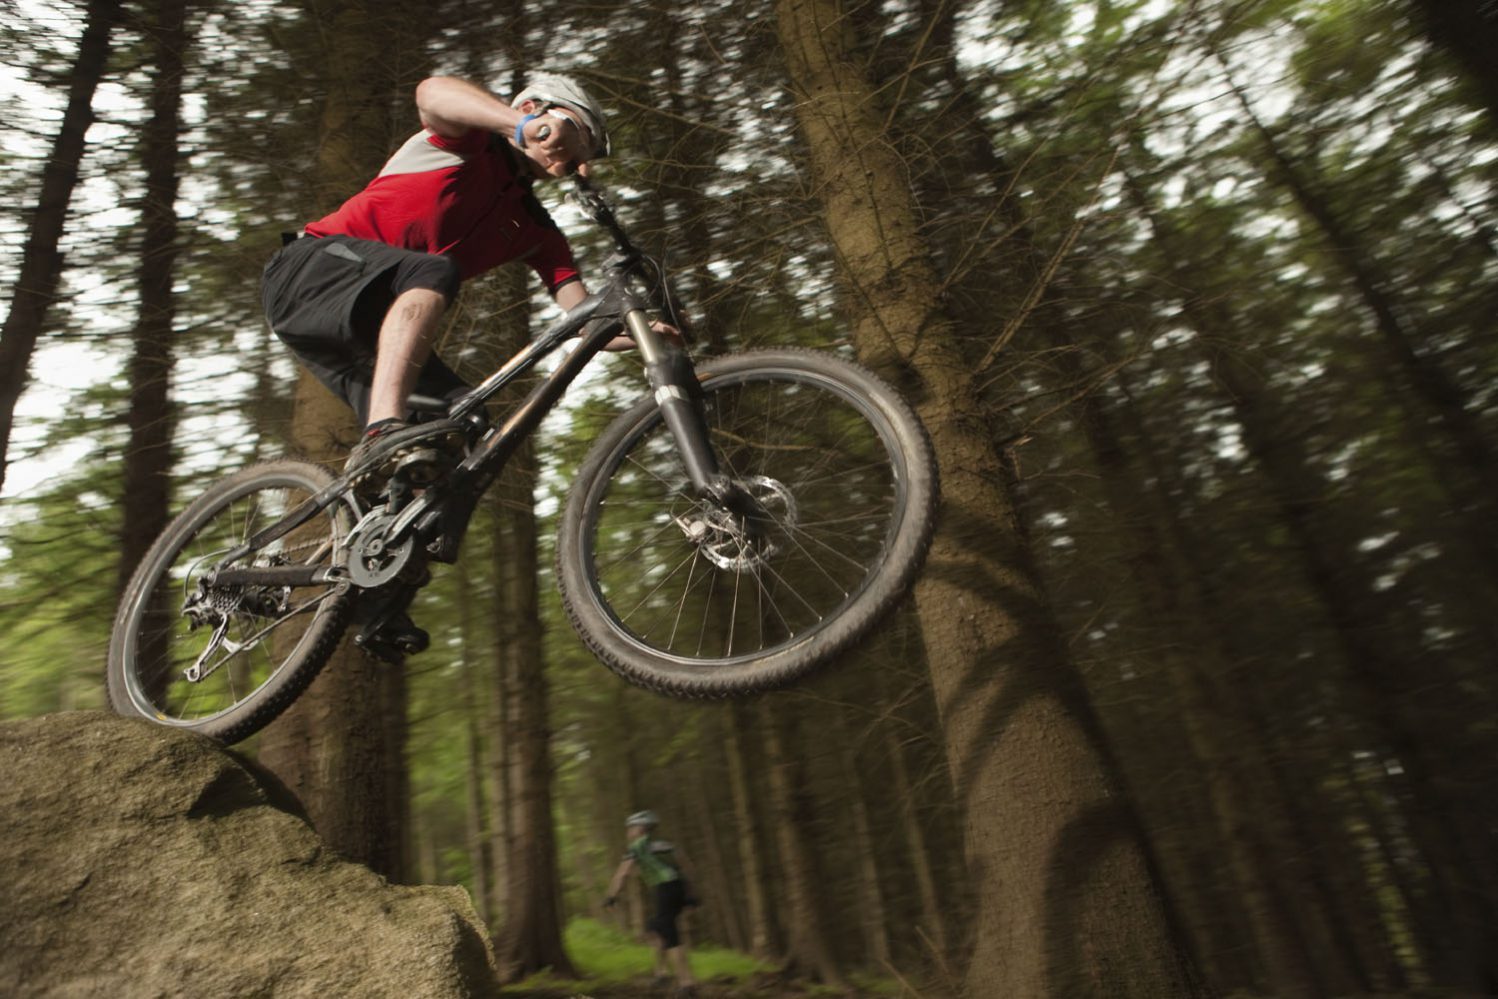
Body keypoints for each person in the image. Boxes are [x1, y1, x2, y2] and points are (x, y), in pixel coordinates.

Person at [260, 71, 613, 654]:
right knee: (433, 271)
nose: (574, 157)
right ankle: (382, 428)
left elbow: (581, 313)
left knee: (464, 427)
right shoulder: (466, 142)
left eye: (584, 154)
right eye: (576, 135)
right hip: (309, 272)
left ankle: (374, 593)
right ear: (536, 106)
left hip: (372, 329)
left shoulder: (535, 228)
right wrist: (520, 124)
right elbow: (431, 93)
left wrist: (639, 329)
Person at [605, 809, 698, 996]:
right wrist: (691, 895)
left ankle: (686, 983)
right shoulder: (666, 844)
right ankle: (661, 973)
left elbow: (622, 874)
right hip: (678, 887)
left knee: (669, 935)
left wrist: (611, 896)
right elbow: (687, 867)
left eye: (630, 827)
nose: (628, 831)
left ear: (640, 828)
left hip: (665, 889)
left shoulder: (636, 848)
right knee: (655, 928)